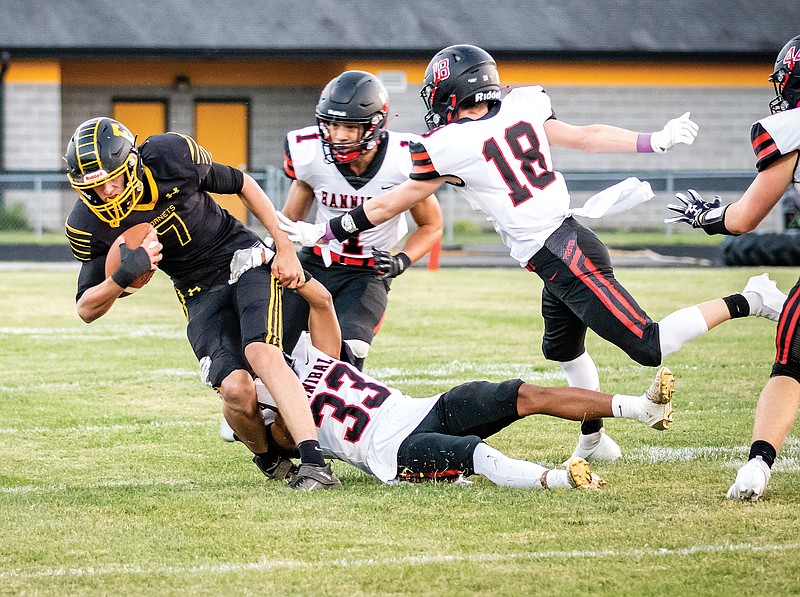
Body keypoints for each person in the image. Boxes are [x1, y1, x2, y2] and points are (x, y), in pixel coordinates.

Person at [277, 44, 787, 464]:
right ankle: (593, 440)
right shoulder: (523, 105)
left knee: (649, 345)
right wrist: (653, 140)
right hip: (556, 248)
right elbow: (585, 138)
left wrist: (325, 233)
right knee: (563, 351)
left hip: (563, 251)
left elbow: (392, 202)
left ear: (453, 93)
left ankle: (751, 298)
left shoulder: (448, 142)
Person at [63, 117, 339, 490]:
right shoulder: (87, 223)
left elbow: (243, 184)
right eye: (94, 187)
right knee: (236, 390)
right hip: (196, 291)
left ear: (131, 163)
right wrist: (122, 277)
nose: (108, 192)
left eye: (112, 178)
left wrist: (283, 244)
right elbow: (86, 308)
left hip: (243, 258)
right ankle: (270, 460)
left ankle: (315, 464)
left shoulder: (169, 156)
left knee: (261, 352)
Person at [249, 273, 676, 489]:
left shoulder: (309, 352)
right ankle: (559, 479)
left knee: (522, 393)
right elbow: (285, 438)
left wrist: (289, 272)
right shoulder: (265, 395)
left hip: (422, 407)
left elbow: (322, 301)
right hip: (393, 452)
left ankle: (640, 407)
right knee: (474, 454)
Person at [666, 35, 800, 501]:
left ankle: (759, 464)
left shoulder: (789, 129)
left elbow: (744, 218)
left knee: (791, 368)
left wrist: (708, 217)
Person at [280, 70, 443, 370]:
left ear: (373, 126)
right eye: (332, 124)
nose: (338, 135)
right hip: (317, 262)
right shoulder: (310, 154)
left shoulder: (402, 159)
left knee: (347, 355)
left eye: (349, 127)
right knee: (280, 349)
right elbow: (290, 223)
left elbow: (431, 224)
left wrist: (401, 260)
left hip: (367, 273)